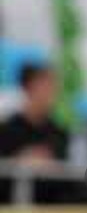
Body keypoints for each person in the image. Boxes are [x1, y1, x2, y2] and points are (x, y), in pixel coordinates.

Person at [0, 63, 71, 203]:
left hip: (50, 205)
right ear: (27, 88)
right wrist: (19, 161)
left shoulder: (60, 132)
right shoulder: (6, 129)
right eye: (43, 86)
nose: (50, 92)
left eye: (53, 87)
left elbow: (65, 176)